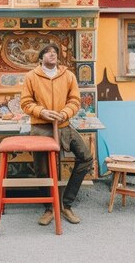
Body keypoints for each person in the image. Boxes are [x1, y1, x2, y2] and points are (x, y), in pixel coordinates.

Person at [20, 43, 93, 226]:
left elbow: (75, 100)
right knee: (42, 170)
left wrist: (65, 113)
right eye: (48, 52)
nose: (52, 55)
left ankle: (66, 204)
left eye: (55, 52)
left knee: (86, 158)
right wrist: (41, 111)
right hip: (41, 127)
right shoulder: (31, 76)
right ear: (40, 57)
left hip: (63, 125)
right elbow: (26, 103)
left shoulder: (68, 75)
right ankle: (49, 208)